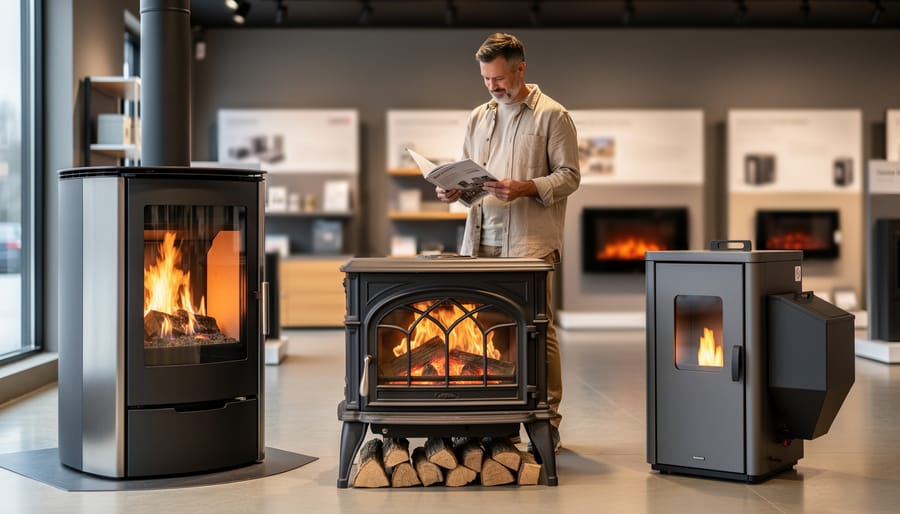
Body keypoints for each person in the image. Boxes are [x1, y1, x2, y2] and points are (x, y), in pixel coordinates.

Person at [436, 32, 581, 452]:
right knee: (485, 328)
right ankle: (496, 418)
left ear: (521, 68)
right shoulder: (478, 117)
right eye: (485, 79)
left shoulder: (553, 116)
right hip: (480, 241)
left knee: (538, 330)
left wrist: (526, 187)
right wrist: (452, 192)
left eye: (499, 78)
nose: (493, 87)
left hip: (531, 244)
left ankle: (547, 420)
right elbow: (469, 177)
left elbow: (570, 177)